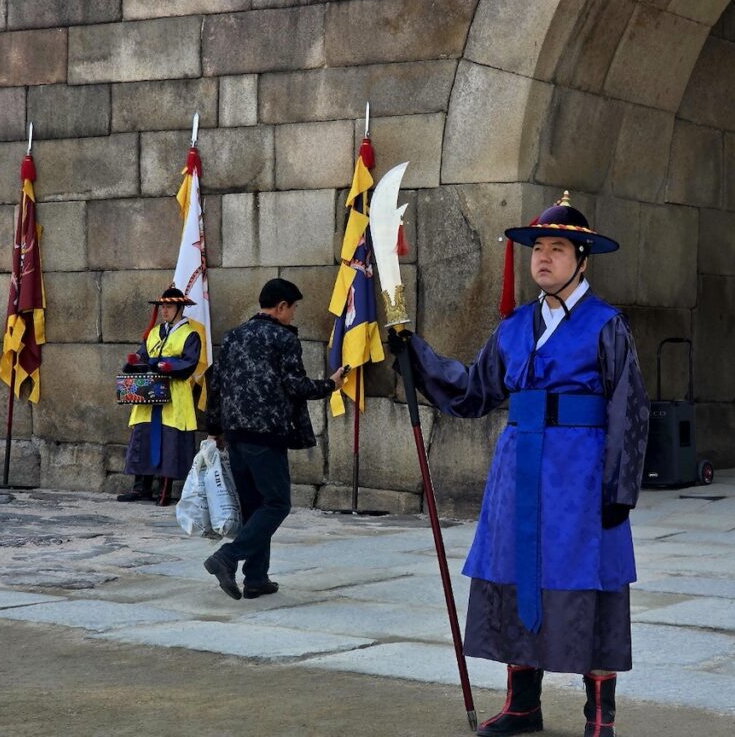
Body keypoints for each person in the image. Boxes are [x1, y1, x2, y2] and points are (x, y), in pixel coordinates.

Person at [389, 193, 649, 737]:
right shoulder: (513, 328)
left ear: (582, 259)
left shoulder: (607, 325)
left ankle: (599, 714)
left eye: (558, 249)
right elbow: (472, 392)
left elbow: (629, 407)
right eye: (537, 249)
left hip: (580, 474)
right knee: (515, 572)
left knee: (588, 578)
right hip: (517, 468)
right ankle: (522, 704)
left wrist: (618, 488)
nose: (544, 259)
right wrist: (415, 354)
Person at [203, 278, 345, 600]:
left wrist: (214, 429)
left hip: (236, 434)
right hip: (266, 435)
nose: (293, 315)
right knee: (278, 503)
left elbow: (215, 386)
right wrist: (331, 385)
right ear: (281, 307)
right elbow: (296, 385)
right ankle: (227, 557)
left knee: (256, 507)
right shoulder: (282, 339)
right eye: (293, 309)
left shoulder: (233, 337)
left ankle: (256, 579)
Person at [118, 286, 201, 506]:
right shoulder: (154, 332)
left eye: (169, 306)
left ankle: (165, 490)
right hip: (150, 390)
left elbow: (189, 363)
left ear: (180, 308)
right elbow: (143, 354)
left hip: (174, 393)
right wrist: (135, 361)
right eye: (162, 306)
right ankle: (140, 488)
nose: (164, 310)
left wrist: (167, 365)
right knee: (143, 437)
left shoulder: (190, 334)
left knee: (170, 440)